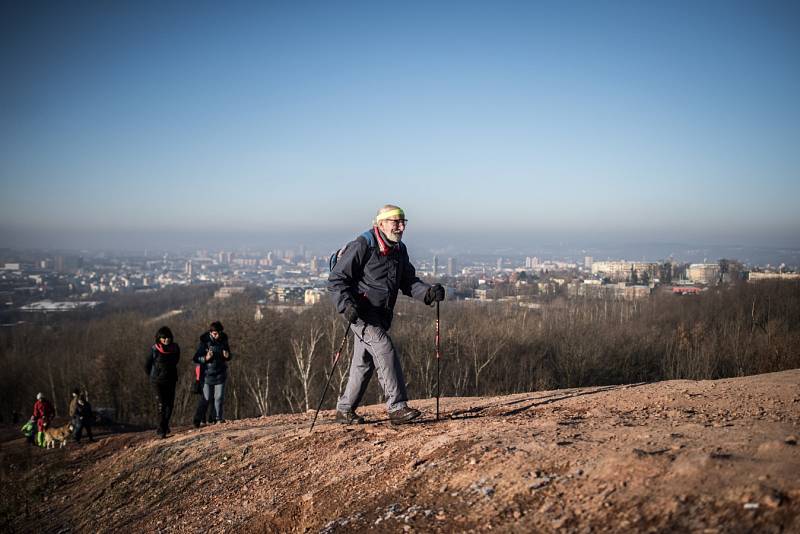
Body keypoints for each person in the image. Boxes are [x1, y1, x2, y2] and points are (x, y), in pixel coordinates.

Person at [328, 205, 445, 425]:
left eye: (403, 222)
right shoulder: (363, 245)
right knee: (384, 348)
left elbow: (408, 281)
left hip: (382, 315)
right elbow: (336, 280)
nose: (401, 227)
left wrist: (428, 293)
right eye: (395, 222)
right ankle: (397, 407)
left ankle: (344, 410)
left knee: (363, 363)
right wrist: (346, 306)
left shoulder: (399, 249)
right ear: (381, 224)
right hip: (361, 314)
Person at [192, 321, 232, 427]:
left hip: (220, 373)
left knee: (219, 397)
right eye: (215, 334)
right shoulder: (204, 342)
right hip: (206, 375)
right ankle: (197, 419)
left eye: (218, 333)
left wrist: (227, 355)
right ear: (210, 333)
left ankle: (218, 418)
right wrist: (205, 358)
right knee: (206, 398)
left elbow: (228, 355)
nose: (217, 335)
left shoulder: (224, 340)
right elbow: (196, 358)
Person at [145, 326, 180, 438]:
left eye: (168, 337)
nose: (166, 339)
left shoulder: (176, 348)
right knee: (161, 404)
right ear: (159, 338)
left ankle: (164, 425)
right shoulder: (155, 349)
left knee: (170, 405)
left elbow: (176, 361)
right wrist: (153, 376)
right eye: (163, 338)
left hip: (171, 380)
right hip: (157, 381)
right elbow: (147, 365)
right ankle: (161, 430)